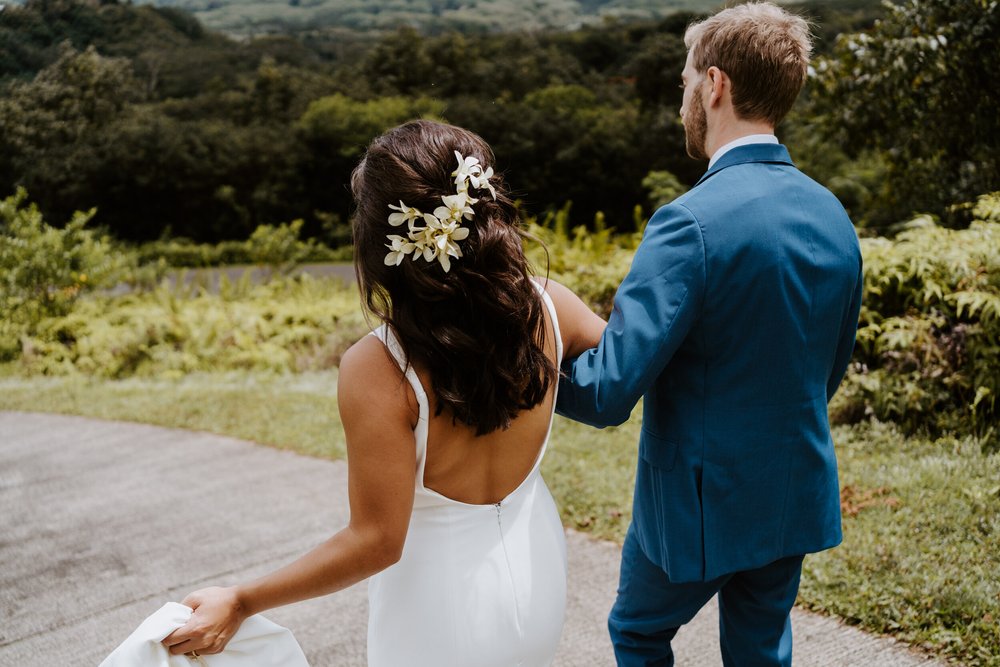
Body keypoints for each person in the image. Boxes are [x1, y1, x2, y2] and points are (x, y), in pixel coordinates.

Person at [160, 119, 606, 666]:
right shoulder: (550, 305)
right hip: (536, 569)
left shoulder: (377, 368)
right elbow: (629, 360)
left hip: (436, 608)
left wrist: (242, 600)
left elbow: (376, 539)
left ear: (381, 239)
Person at [555, 3, 864, 665]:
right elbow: (827, 367)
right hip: (792, 491)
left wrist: (523, 368)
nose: (683, 100)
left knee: (638, 633)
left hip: (698, 502)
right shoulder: (833, 215)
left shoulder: (686, 224)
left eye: (687, 81)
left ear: (715, 84)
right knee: (760, 652)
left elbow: (607, 393)